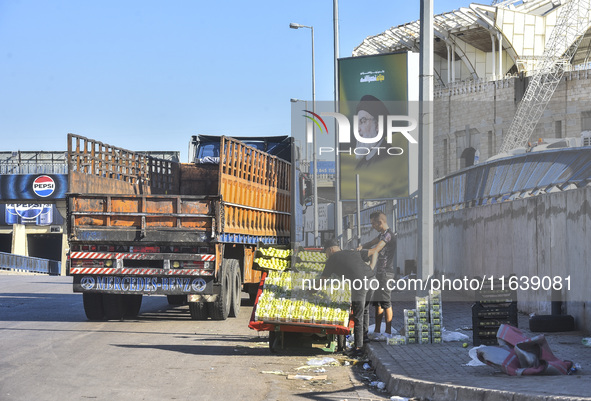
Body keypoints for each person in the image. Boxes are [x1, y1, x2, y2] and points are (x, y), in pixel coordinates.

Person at [320, 238, 375, 357]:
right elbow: (374, 252)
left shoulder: (332, 259)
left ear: (330, 250)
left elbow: (322, 281)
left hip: (360, 284)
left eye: (326, 253)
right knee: (365, 310)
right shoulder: (352, 252)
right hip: (372, 280)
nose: (326, 256)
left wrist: (311, 291)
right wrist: (371, 266)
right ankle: (364, 339)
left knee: (357, 315)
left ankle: (358, 348)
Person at [357, 211, 396, 337]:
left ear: (380, 222)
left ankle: (388, 332)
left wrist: (359, 255)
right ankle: (378, 331)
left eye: (374, 224)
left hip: (386, 273)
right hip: (379, 273)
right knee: (377, 302)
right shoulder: (382, 234)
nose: (372, 226)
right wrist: (361, 247)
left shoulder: (388, 235)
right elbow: (370, 243)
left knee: (386, 302)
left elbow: (375, 249)